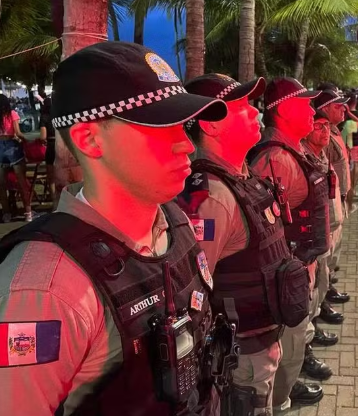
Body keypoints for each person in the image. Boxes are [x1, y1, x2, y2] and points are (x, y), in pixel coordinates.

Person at [0, 42, 233, 415]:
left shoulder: (174, 221)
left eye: (182, 124)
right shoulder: (48, 289)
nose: (185, 144)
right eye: (160, 126)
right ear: (89, 139)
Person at [178, 74, 311, 416]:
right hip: (241, 357)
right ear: (210, 126)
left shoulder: (242, 177)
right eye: (242, 107)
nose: (255, 112)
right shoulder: (210, 198)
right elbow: (193, 290)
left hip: (261, 340)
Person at [248, 77, 328, 411]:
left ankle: (285, 393)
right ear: (282, 111)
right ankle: (282, 399)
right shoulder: (275, 160)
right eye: (304, 103)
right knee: (286, 350)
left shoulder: (294, 151)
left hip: (297, 269)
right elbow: (266, 228)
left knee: (293, 347)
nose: (312, 109)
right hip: (283, 279)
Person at [0, 93, 32, 222]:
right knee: (21, 182)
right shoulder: (12, 113)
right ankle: (28, 213)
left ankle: (6, 214)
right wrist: (27, 140)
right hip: (12, 147)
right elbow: (17, 133)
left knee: (1, 185)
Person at [341, 94, 358, 213]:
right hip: (354, 145)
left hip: (346, 146)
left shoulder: (342, 120)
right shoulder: (354, 119)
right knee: (355, 167)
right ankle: (349, 202)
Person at [38, 97, 59, 208]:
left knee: (51, 178)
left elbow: (43, 136)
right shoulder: (59, 115)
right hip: (62, 146)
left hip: (51, 146)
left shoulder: (44, 117)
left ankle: (55, 204)